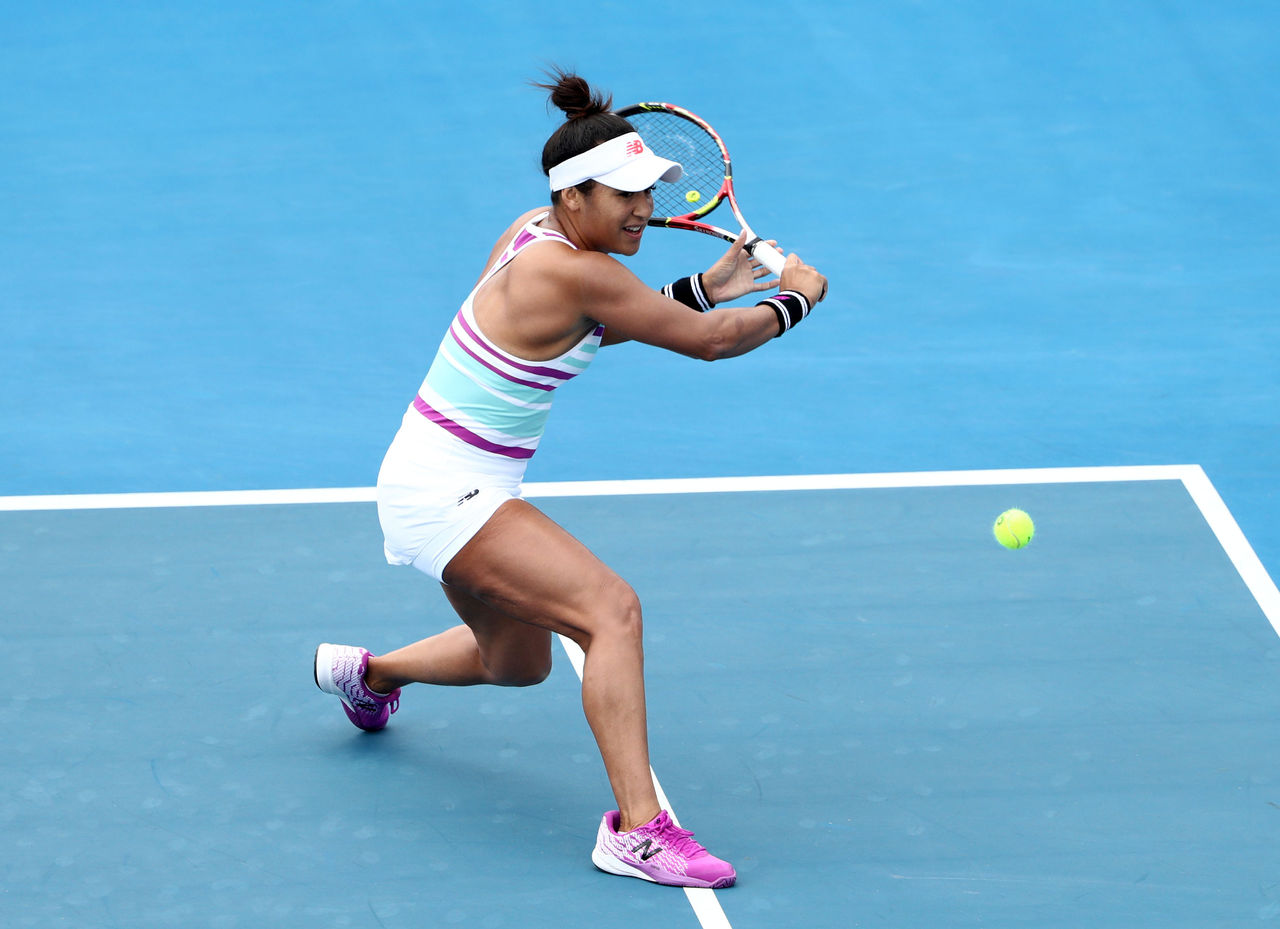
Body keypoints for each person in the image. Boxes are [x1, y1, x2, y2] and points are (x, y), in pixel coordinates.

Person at [314, 68, 828, 889]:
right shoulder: (583, 272)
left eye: (650, 192)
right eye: (623, 194)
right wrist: (796, 300)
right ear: (575, 195)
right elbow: (713, 343)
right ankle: (638, 830)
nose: (644, 210)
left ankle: (368, 676)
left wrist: (698, 288)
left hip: (435, 476)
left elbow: (583, 328)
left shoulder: (535, 234)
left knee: (518, 662)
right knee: (609, 610)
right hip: (450, 488)